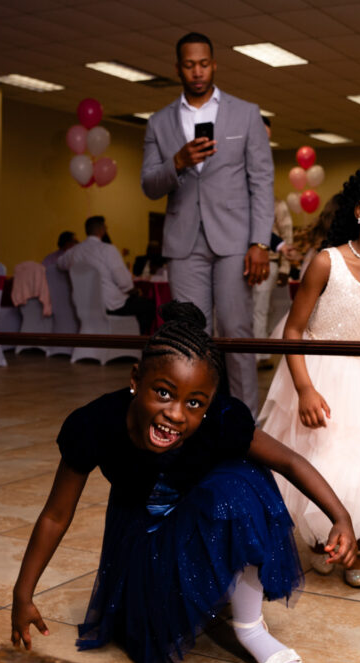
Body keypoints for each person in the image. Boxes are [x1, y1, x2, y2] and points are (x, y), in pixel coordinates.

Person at [11, 302, 356, 663]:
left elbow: (289, 462)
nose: (176, 414)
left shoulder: (219, 420)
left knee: (242, 489)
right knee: (148, 630)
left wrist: (340, 516)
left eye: (194, 403)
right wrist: (23, 593)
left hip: (202, 512)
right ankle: (206, 580)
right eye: (163, 393)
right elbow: (55, 515)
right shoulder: (95, 424)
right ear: (135, 379)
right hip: (144, 529)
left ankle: (250, 629)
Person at [259, 152, 360, 588]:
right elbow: (292, 331)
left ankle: (356, 550)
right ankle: (321, 540)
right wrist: (305, 389)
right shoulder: (326, 262)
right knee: (324, 460)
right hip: (321, 376)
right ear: (359, 209)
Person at [141, 31, 274, 416]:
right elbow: (149, 184)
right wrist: (177, 162)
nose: (197, 71)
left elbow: (261, 181)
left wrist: (260, 243)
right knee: (188, 336)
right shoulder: (160, 122)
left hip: (234, 240)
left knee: (235, 332)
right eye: (189, 64)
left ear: (214, 64)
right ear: (178, 68)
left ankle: (245, 426)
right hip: (184, 242)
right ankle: (194, 419)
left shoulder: (245, 112)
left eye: (203, 63)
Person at [57, 216, 155, 334]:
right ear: (103, 230)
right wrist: (134, 291)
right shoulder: (108, 249)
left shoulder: (73, 252)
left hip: (84, 307)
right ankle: (139, 343)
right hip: (110, 305)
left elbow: (59, 263)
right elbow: (124, 282)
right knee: (150, 306)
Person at [254, 117, 295, 370]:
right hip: (237, 259)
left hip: (267, 261)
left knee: (260, 310)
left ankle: (259, 355)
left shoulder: (276, 204)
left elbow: (286, 234)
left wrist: (284, 269)